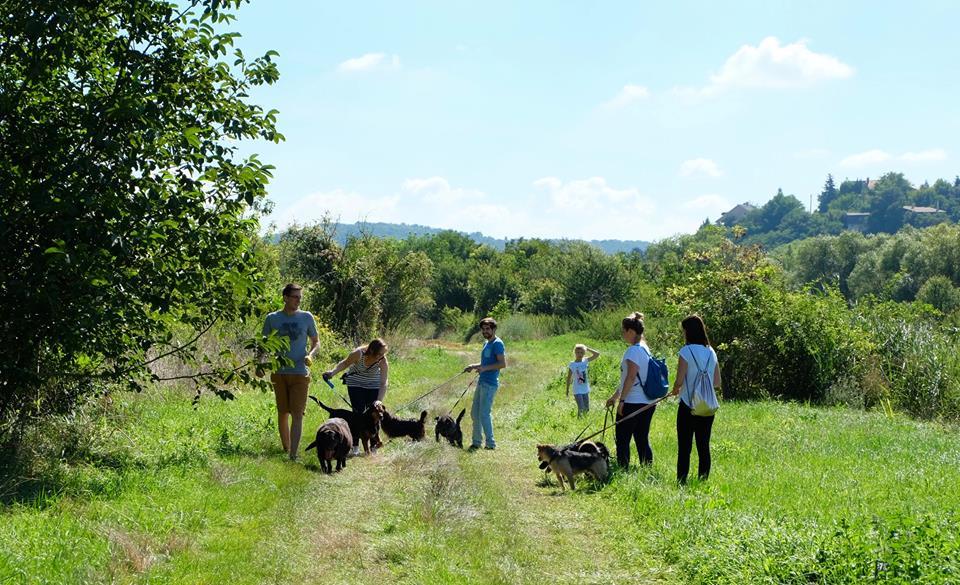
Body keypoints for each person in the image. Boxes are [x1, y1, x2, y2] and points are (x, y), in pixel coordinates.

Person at [260, 283, 319, 460]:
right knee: (283, 412)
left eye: (300, 297)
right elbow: (263, 344)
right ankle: (286, 449)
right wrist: (260, 363)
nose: (298, 300)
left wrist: (311, 354)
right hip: (279, 372)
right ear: (285, 297)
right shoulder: (272, 318)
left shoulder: (306, 317)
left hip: (300, 372)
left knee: (297, 413)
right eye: (295, 297)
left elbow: (316, 341)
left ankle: (293, 455)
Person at [669, 315, 720, 484]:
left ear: (687, 331)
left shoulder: (686, 351)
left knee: (685, 447)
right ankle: (703, 481)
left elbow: (679, 381)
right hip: (707, 406)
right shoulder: (711, 351)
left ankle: (681, 481)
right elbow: (717, 382)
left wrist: (675, 390)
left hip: (688, 405)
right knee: (703, 446)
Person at [606, 312, 656, 469]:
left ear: (631, 331)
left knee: (622, 438)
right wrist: (615, 396)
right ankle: (647, 468)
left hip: (632, 402)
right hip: (647, 402)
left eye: (623, 331)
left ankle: (622, 469)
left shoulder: (633, 351)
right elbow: (628, 379)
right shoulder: (645, 349)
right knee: (642, 438)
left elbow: (631, 377)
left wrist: (622, 401)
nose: (622, 334)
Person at [323, 338, 389, 456]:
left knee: (374, 415)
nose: (382, 356)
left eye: (383, 354)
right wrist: (332, 373)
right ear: (372, 350)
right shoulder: (358, 354)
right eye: (379, 354)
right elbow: (344, 363)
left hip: (373, 386)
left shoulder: (382, 361)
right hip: (355, 385)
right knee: (357, 414)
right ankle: (355, 445)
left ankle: (373, 447)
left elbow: (383, 383)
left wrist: (379, 400)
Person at [463, 317, 506, 450]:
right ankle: (476, 442)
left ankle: (490, 444)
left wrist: (485, 369)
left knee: (484, 414)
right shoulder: (486, 343)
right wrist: (473, 366)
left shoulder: (497, 343)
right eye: (483, 329)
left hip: (490, 384)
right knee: (475, 414)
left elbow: (502, 364)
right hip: (482, 382)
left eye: (488, 329)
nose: (485, 331)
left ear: (493, 329)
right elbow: (485, 364)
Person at [566, 344, 601, 417]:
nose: (580, 354)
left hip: (585, 388)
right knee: (581, 408)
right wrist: (567, 389)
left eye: (582, 352)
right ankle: (579, 423)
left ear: (584, 353)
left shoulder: (585, 360)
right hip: (577, 389)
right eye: (578, 352)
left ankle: (584, 422)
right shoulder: (572, 364)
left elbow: (597, 354)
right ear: (575, 353)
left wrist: (587, 348)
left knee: (587, 409)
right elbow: (569, 378)